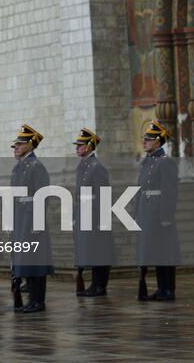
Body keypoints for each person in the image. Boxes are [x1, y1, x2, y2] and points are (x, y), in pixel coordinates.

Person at [10, 123, 53, 313]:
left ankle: (38, 300)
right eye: (15, 145)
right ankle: (31, 299)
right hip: (21, 218)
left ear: (31, 145)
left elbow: (42, 196)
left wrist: (37, 222)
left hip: (31, 219)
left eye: (20, 144)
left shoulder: (36, 167)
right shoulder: (20, 167)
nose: (16, 147)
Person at [135, 120, 179, 301]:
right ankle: (161, 288)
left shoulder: (164, 162)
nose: (144, 142)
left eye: (148, 139)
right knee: (156, 251)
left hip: (158, 213)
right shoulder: (147, 162)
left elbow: (169, 190)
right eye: (144, 139)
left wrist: (166, 215)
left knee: (165, 251)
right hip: (147, 211)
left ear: (158, 142)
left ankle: (168, 289)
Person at [73, 127, 114, 297]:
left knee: (100, 250)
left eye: (80, 145)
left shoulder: (96, 168)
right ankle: (94, 284)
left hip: (96, 215)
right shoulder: (84, 166)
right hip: (85, 214)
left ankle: (100, 286)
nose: (77, 148)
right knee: (91, 249)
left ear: (89, 147)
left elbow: (103, 194)